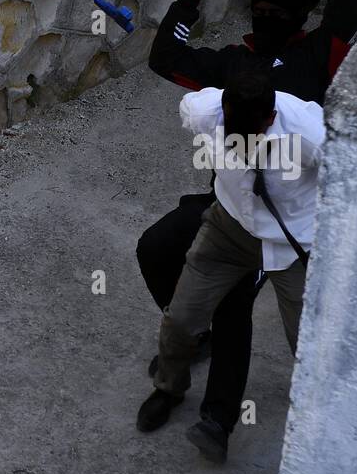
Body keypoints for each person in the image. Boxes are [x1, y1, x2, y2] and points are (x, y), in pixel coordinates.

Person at [136, 0, 357, 461]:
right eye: (257, 11)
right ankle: (183, 376)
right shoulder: (224, 75)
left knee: (302, 338)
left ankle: (311, 418)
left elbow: (348, 11)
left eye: (276, 13)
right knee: (168, 272)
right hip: (232, 215)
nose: (265, 18)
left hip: (291, 235)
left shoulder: (311, 78)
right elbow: (166, 58)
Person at [138, 67, 325, 447]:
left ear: (270, 120)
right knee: (181, 318)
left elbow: (350, 178)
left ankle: (320, 419)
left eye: (248, 135)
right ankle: (169, 389)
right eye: (231, 133)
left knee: (307, 342)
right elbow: (187, 107)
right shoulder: (209, 111)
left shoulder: (311, 136)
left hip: (291, 246)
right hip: (228, 229)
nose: (237, 142)